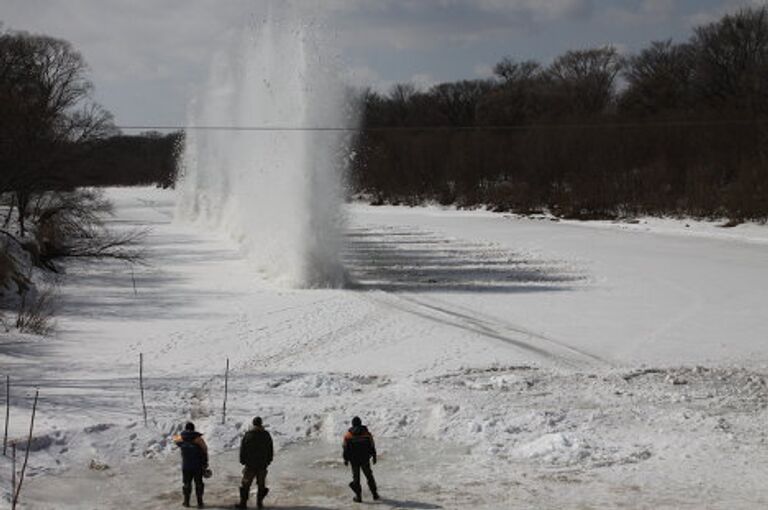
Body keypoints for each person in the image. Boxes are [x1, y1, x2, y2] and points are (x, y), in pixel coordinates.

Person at [236, 416, 274, 509]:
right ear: (261, 424)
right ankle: (259, 503)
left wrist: (242, 460)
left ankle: (243, 503)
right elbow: (270, 449)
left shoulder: (248, 434)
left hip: (250, 465)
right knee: (261, 484)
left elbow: (243, 449)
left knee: (245, 484)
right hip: (262, 465)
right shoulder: (266, 435)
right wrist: (268, 460)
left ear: (253, 424)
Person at [342, 416, 379, 503]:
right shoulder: (367, 434)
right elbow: (372, 446)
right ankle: (375, 494)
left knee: (356, 479)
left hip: (354, 460)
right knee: (369, 476)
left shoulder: (348, 436)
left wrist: (346, 459)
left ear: (352, 424)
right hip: (365, 459)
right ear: (360, 423)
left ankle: (358, 497)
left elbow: (345, 449)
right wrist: (374, 456)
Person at [173, 421, 209, 508]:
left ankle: (186, 502)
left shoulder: (181, 438)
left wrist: (183, 435)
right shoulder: (198, 439)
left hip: (186, 466)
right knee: (199, 484)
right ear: (193, 429)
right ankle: (200, 502)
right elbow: (205, 451)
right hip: (198, 466)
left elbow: (175, 440)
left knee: (186, 484)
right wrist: (205, 463)